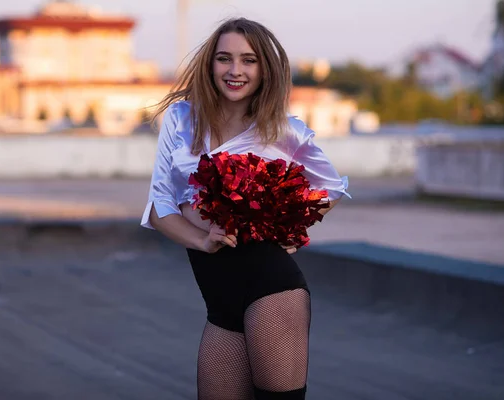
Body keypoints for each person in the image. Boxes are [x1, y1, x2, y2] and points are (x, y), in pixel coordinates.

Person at [140, 17, 350, 400]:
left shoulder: (285, 130)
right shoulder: (181, 119)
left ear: (265, 68)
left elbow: (332, 187)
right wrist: (203, 240)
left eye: (249, 60)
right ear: (210, 64)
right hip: (219, 301)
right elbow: (160, 209)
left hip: (272, 291)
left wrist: (288, 230)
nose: (235, 70)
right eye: (224, 58)